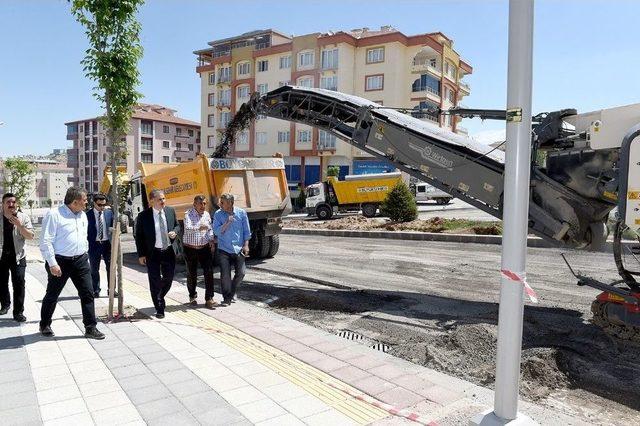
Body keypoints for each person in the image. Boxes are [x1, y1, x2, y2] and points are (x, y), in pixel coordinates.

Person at [39, 187, 105, 339]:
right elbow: (45, 241)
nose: (87, 202)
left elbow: (83, 237)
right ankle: (45, 324)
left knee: (88, 293)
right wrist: (52, 263)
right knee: (53, 294)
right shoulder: (54, 214)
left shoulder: (82, 215)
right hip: (60, 261)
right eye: (84, 200)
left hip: (81, 260)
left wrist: (85, 253)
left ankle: (90, 327)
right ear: (75, 202)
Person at [134, 189, 180, 318]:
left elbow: (177, 225)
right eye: (160, 199)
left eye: (164, 199)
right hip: (152, 252)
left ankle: (159, 295)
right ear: (152, 201)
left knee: (169, 279)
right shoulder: (143, 216)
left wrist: (175, 232)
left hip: (168, 251)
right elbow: (139, 237)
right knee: (154, 280)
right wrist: (141, 255)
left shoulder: (170, 211)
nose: (163, 201)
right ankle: (159, 307)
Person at [0, 193, 34, 322]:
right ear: (3, 204)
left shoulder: (23, 217)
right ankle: (5, 304)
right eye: (8, 202)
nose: (11, 205)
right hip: (1, 256)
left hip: (18, 256)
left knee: (19, 283)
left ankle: (18, 312)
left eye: (13, 202)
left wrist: (19, 225)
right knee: (1, 282)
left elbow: (30, 236)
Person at [213, 193, 251, 306]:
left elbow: (246, 232)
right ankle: (226, 298)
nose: (220, 204)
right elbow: (216, 231)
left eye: (222, 202)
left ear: (230, 203)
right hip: (224, 249)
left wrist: (246, 245)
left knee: (241, 273)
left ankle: (232, 292)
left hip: (238, 249)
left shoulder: (241, 213)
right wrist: (227, 222)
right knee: (225, 275)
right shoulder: (218, 214)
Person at [183, 195, 217, 309]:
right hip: (190, 248)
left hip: (204, 247)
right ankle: (192, 296)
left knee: (209, 272)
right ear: (194, 204)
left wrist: (211, 240)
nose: (203, 206)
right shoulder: (188, 214)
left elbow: (209, 228)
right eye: (200, 204)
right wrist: (199, 227)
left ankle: (209, 298)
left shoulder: (206, 214)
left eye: (204, 204)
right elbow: (187, 228)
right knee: (192, 273)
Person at [87, 193, 113, 298]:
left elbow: (113, 226)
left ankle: (111, 290)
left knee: (111, 268)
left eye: (104, 205)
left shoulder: (109, 213)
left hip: (107, 244)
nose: (102, 207)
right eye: (99, 205)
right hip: (94, 244)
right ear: (94, 203)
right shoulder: (87, 215)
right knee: (94, 269)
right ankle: (96, 290)